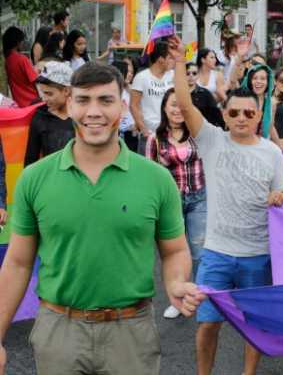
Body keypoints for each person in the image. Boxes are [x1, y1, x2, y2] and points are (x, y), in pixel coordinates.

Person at [0, 62, 204, 375]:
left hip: (131, 332)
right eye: (83, 100)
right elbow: (17, 263)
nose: (94, 111)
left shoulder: (157, 179)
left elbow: (175, 249)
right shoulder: (34, 179)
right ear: (69, 104)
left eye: (106, 100)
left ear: (123, 106)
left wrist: (176, 282)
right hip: (58, 330)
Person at [165, 36, 283, 375]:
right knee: (207, 325)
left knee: (254, 325)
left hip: (257, 255)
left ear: (259, 114)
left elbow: (280, 194)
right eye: (234, 112)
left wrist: (278, 198)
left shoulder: (272, 153)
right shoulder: (211, 140)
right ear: (224, 114)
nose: (242, 117)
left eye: (249, 112)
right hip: (217, 253)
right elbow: (187, 106)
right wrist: (179, 63)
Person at [146, 87, 208, 319]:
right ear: (164, 107)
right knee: (173, 252)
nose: (177, 110)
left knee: (200, 251)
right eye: (173, 104)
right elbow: (150, 174)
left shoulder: (198, 133)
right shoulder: (155, 138)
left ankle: (203, 297)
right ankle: (178, 297)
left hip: (199, 197)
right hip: (170, 203)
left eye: (181, 104)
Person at [25, 61, 75, 166]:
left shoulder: (81, 117)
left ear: (66, 91)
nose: (44, 99)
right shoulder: (40, 117)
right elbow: (30, 159)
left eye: (49, 94)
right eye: (43, 93)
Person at [130, 40, 175, 152]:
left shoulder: (174, 75)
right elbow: (134, 105)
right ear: (160, 59)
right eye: (170, 57)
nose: (173, 61)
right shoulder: (142, 77)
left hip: (171, 133)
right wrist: (144, 130)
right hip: (150, 134)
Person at [3, 27, 38, 108]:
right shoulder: (22, 59)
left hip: (19, 104)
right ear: (17, 42)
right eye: (22, 41)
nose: (23, 43)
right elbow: (35, 80)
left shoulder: (7, 60)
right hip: (33, 103)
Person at [111, 58, 139, 153]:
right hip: (117, 134)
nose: (130, 74)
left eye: (131, 72)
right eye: (127, 72)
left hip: (131, 134)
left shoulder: (129, 91)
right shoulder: (112, 93)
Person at [186, 62, 225, 128]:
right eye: (187, 73)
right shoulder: (175, 93)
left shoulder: (205, 93)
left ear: (198, 75)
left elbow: (216, 115)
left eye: (194, 73)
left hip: (201, 131)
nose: (191, 76)